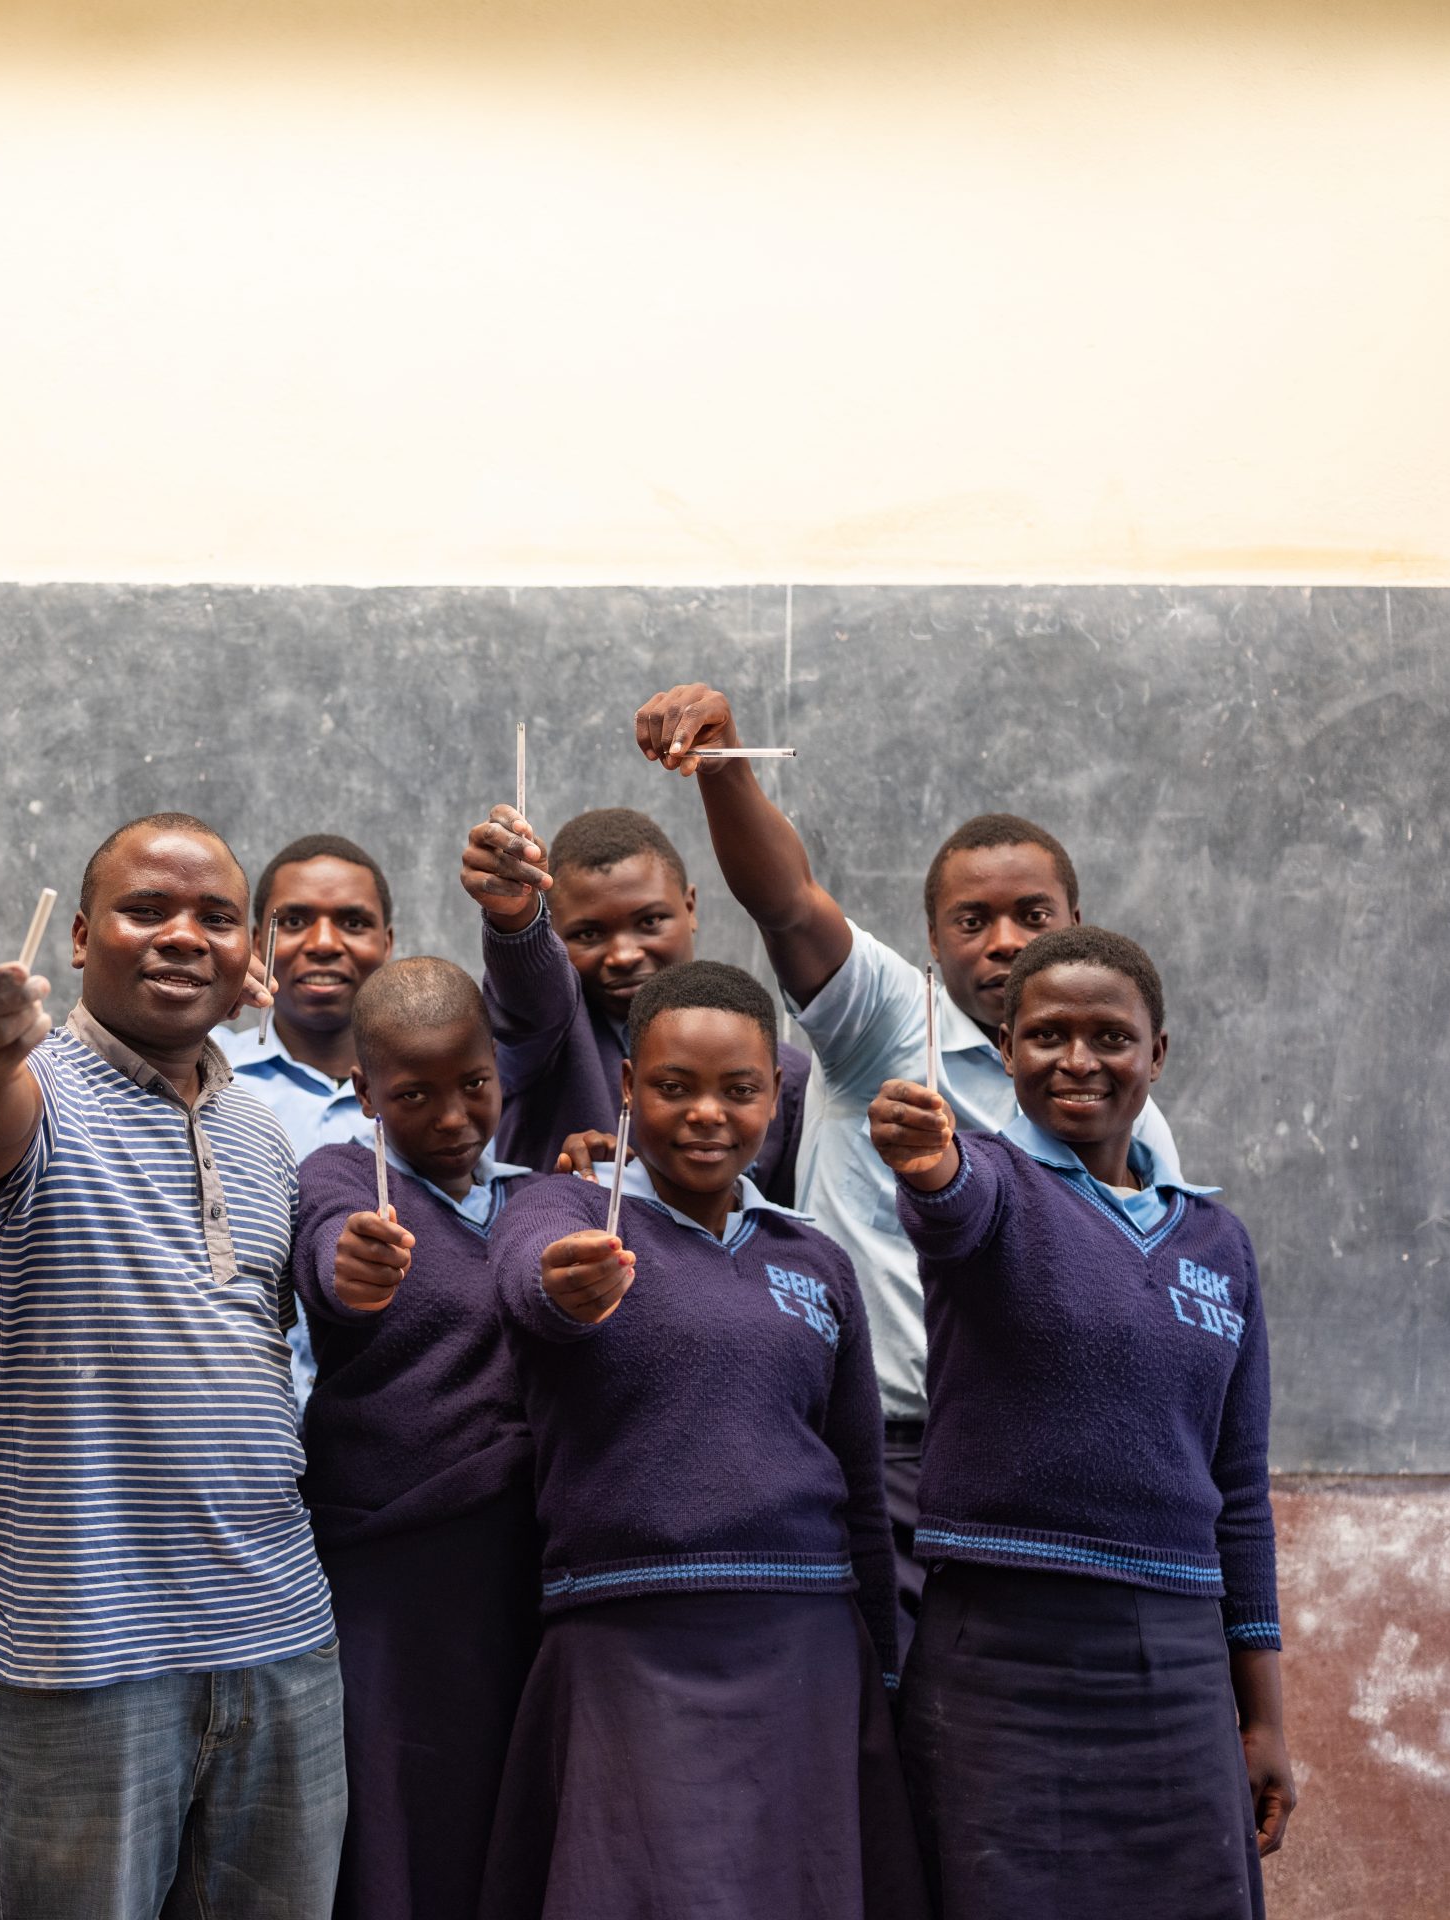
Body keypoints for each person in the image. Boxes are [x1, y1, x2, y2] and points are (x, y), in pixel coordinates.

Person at [631, 681, 1185, 1654]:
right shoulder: (891, 1020)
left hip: (1053, 1461)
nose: (1004, 940)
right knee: (883, 1736)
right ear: (930, 942)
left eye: (1031, 914)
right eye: (972, 920)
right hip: (879, 1451)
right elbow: (786, 902)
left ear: (1073, 918)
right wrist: (722, 768)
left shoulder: (1131, 1117)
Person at [0, 813, 346, 1919]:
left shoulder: (261, 1133)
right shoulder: (35, 1091)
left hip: (281, 1637)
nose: (181, 936)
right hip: (81, 1656)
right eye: (144, 909)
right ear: (76, 936)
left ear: (245, 952)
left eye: (214, 917)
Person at [868, 925, 1293, 1918]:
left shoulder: (1214, 1241)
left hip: (1176, 1663)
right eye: (1046, 1034)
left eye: (1109, 1036)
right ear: (1005, 1047)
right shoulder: (990, 1185)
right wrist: (928, 1166)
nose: (1077, 1060)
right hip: (1000, 1658)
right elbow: (949, 1207)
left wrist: (1262, 1714)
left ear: (1156, 1053)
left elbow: (1238, 1488)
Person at [480, 961, 918, 1920]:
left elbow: (857, 1479)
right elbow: (526, 1283)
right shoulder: (571, 1213)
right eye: (674, 1087)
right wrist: (565, 1287)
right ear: (631, 1088)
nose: (708, 1114)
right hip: (628, 1637)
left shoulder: (816, 1261)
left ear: (776, 1094)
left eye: (741, 1090)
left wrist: (877, 1671)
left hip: (805, 1642)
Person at [292, 957, 539, 1920]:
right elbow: (327, 1250)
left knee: (505, 1818)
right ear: (364, 1092)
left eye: (472, 1084)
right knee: (397, 1821)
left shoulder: (534, 1199)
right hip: (394, 1565)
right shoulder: (347, 1177)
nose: (450, 1117)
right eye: (413, 1094)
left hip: (524, 1561)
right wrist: (352, 1268)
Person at [458, 802, 808, 1197]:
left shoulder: (783, 1076)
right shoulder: (550, 1037)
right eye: (588, 934)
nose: (624, 954)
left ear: (690, 907)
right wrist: (517, 917)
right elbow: (530, 997)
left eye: (650, 922)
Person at [216, 832, 399, 1404]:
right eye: (292, 922)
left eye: (352, 922)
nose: (323, 943)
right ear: (253, 944)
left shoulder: (437, 1097)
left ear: (387, 943)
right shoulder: (204, 1074)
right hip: (240, 1438)